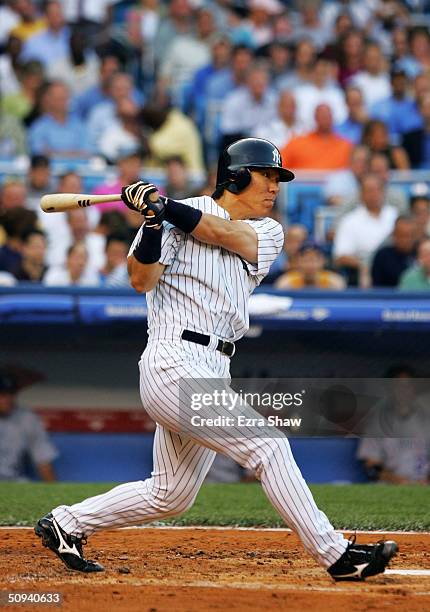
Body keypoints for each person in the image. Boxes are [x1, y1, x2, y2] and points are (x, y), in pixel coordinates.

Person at [35, 137, 397, 580]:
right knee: (268, 445)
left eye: (277, 179)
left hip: (214, 368)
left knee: (171, 494)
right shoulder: (170, 214)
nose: (274, 187)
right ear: (237, 176)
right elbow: (139, 279)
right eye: (266, 176)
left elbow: (223, 232)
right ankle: (336, 555)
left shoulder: (267, 231)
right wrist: (151, 222)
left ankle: (67, 523)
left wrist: (163, 206)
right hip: (173, 362)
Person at [357, 365, 430, 485]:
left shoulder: (426, 419)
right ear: (389, 388)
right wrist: (394, 479)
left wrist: (427, 479)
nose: (403, 391)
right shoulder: (378, 422)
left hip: (424, 483)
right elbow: (371, 465)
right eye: (398, 386)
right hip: (389, 485)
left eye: (407, 386)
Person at [0, 370, 57, 481]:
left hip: (12, 482)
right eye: (2, 395)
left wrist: (56, 494)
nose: (7, 399)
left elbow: (43, 461)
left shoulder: (27, 419)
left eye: (11, 394)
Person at [275, 241, 345, 290]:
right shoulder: (286, 282)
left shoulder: (334, 282)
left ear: (322, 261)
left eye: (314, 260)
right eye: (306, 260)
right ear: (298, 261)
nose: (310, 265)